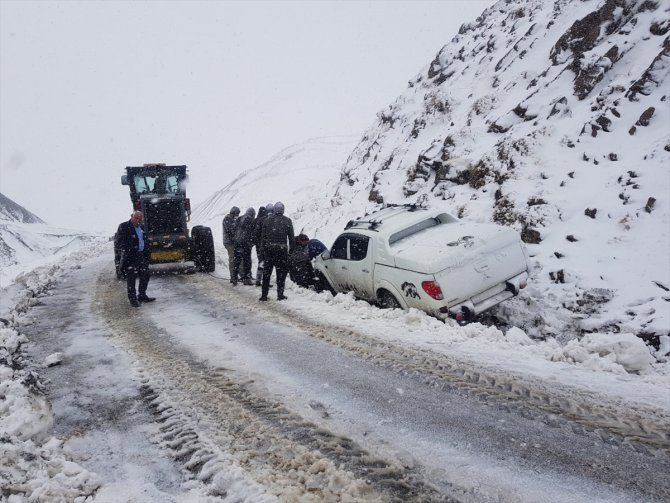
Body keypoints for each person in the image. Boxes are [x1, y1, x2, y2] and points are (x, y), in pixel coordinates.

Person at [116, 211, 154, 307]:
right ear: (131, 216)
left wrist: (147, 250)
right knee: (131, 279)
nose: (138, 220)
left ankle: (142, 295)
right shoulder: (124, 226)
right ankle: (133, 300)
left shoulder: (141, 227)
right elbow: (120, 242)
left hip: (141, 256)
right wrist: (131, 249)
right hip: (130, 257)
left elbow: (144, 240)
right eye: (136, 218)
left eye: (140, 219)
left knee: (145, 275)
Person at [259, 201, 294, 301]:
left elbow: (263, 238)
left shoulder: (267, 220)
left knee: (267, 274)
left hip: (269, 251)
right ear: (283, 210)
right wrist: (291, 251)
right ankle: (280, 294)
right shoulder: (287, 221)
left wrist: (262, 252)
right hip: (282, 252)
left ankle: (264, 295)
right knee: (281, 274)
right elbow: (291, 238)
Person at [232, 207, 256, 285]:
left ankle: (234, 278)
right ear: (252, 214)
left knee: (237, 260)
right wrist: (252, 242)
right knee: (246, 261)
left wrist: (235, 238)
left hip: (237, 242)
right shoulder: (251, 220)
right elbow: (253, 233)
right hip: (245, 243)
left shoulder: (239, 218)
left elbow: (233, 229)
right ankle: (246, 279)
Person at [253, 204, 272, 286]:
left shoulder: (259, 220)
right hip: (268, 244)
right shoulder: (271, 220)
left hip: (260, 245)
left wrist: (258, 243)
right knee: (267, 263)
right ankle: (264, 281)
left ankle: (258, 279)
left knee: (261, 262)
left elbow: (256, 234)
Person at [222, 206, 240, 284]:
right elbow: (231, 231)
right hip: (229, 243)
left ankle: (235, 275)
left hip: (233, 242)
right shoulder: (227, 219)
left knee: (236, 259)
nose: (237, 216)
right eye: (236, 214)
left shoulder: (231, 219)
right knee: (232, 259)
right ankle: (233, 277)